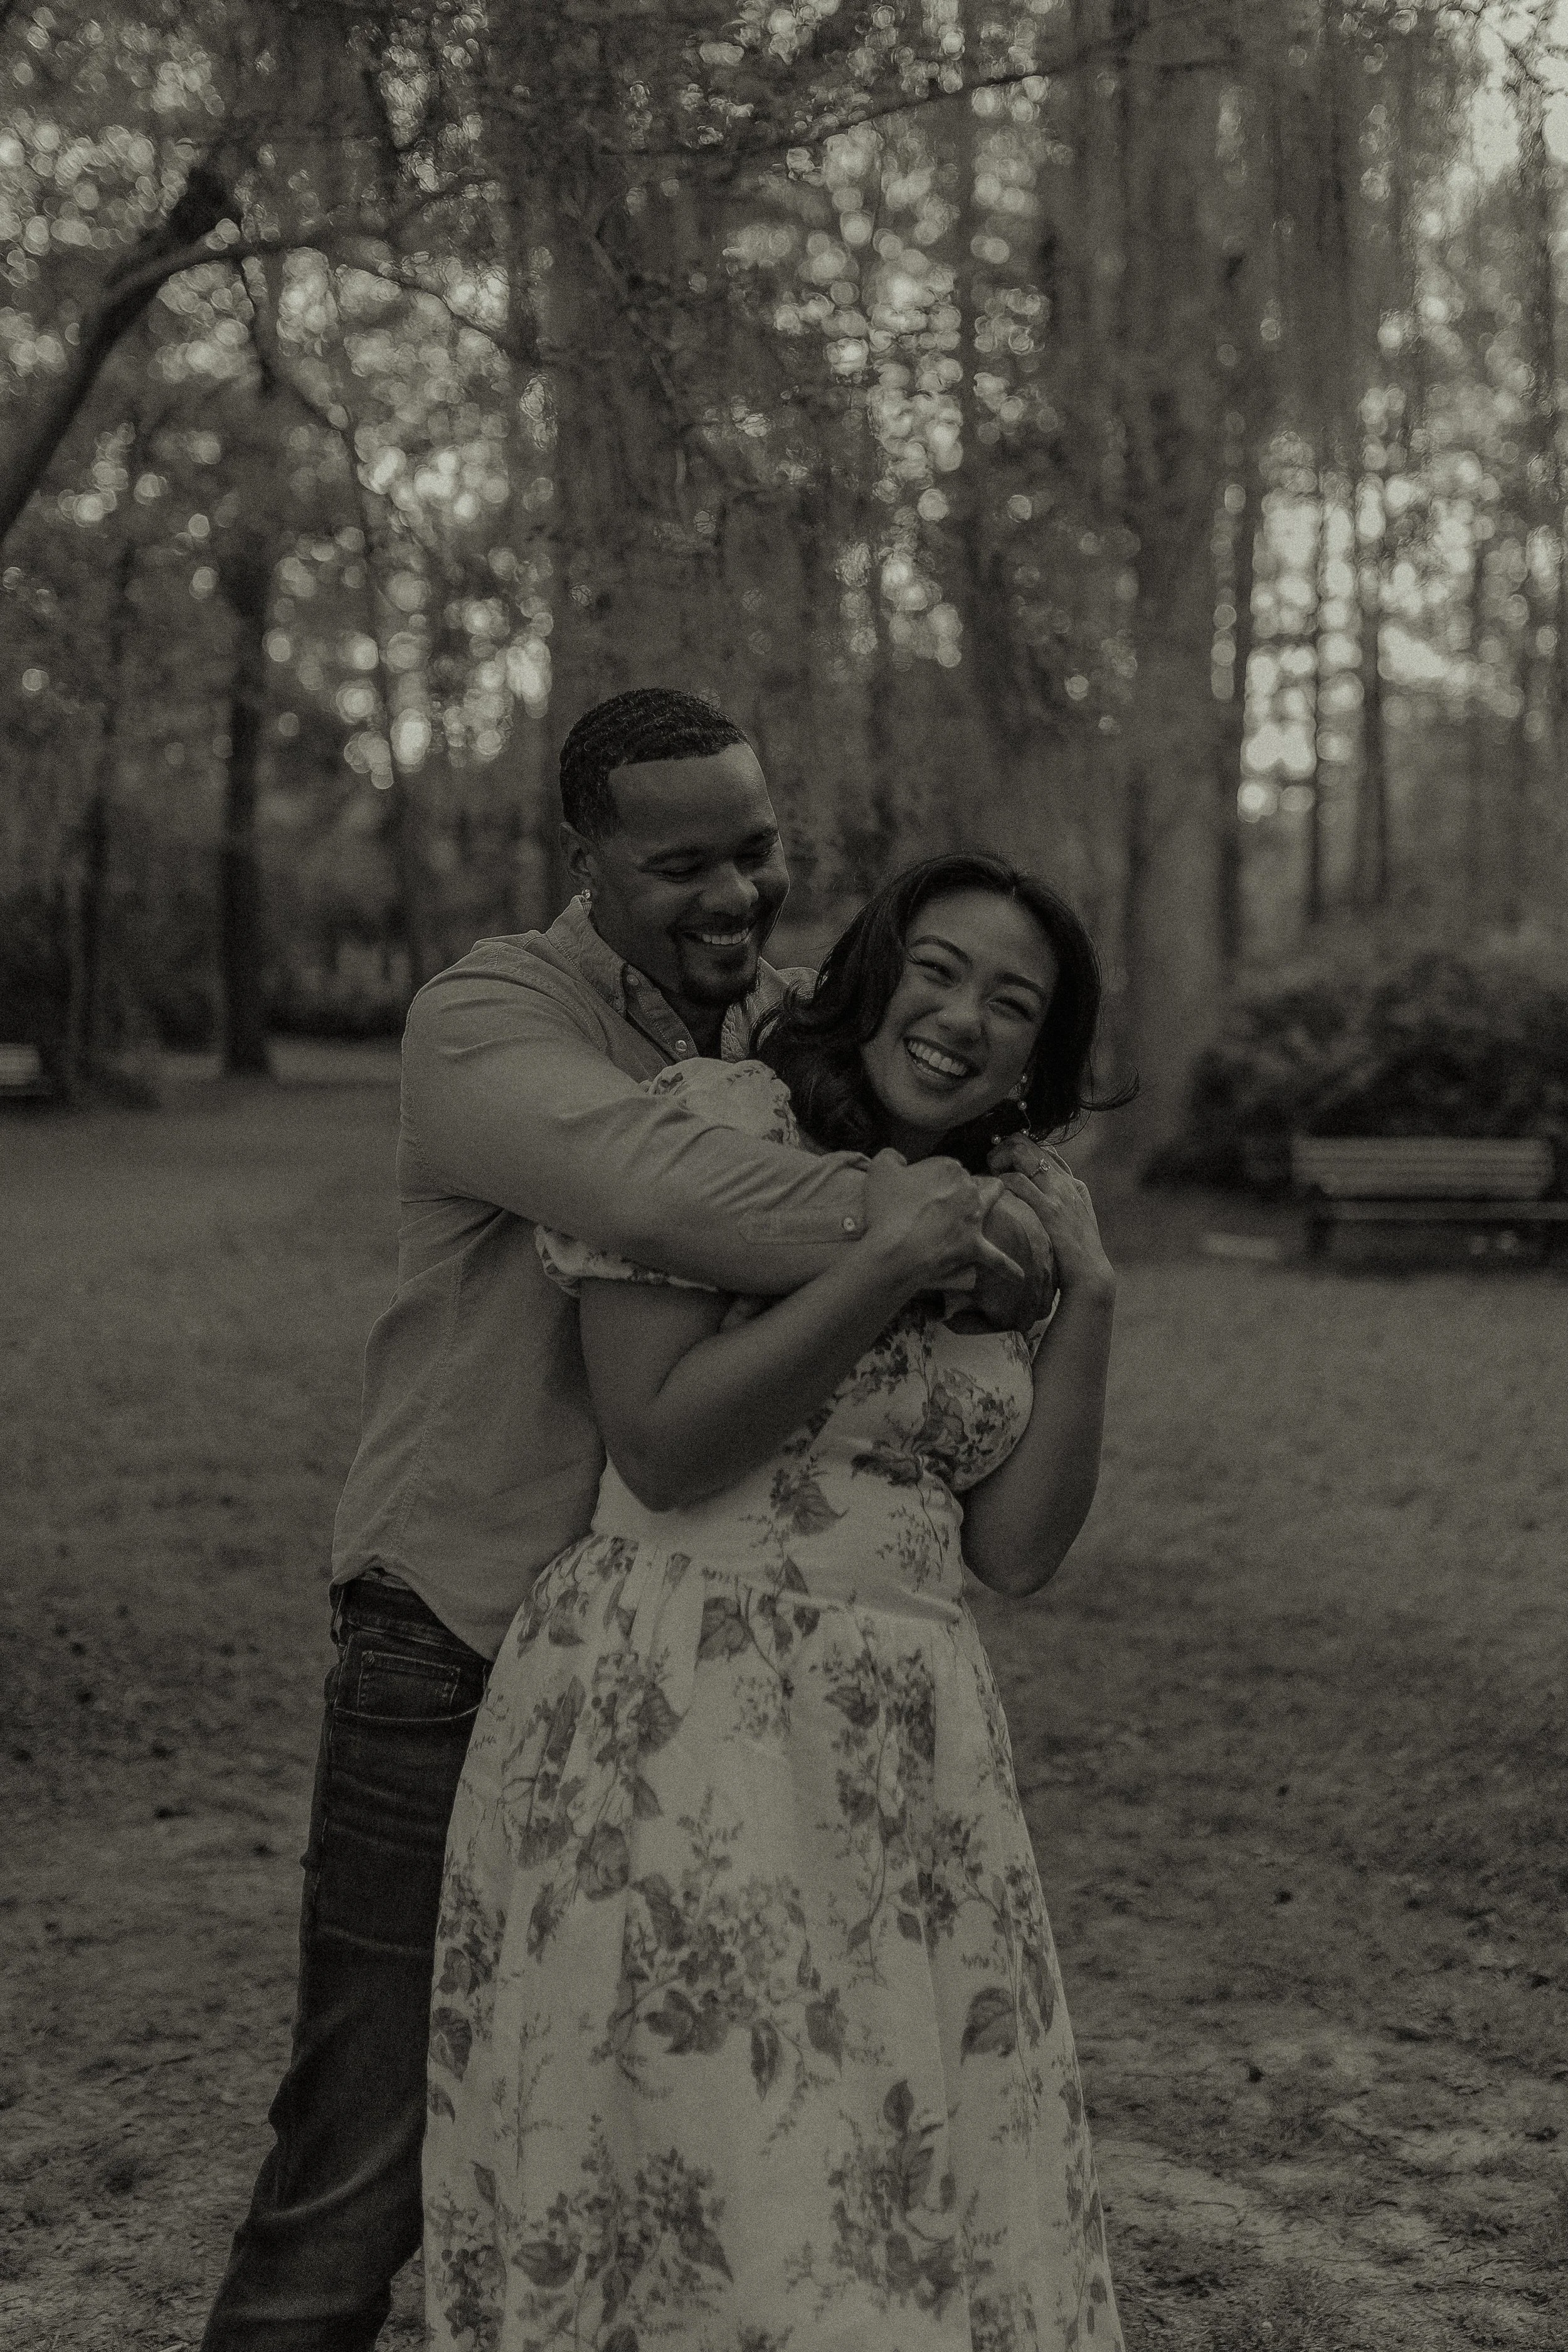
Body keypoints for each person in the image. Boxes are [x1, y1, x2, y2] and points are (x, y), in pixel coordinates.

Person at [201, 694, 1048, 2350]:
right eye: (680, 864)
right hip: (452, 1629)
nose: (733, 894)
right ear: (579, 853)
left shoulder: (794, 1027)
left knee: (660, 2141)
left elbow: (973, 1148)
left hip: (676, 1691)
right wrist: (935, 1223)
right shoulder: (488, 1017)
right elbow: (659, 1196)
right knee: (364, 2155)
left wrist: (988, 1218)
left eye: (755, 847)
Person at [423, 853, 1125, 2351]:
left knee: (893, 2167)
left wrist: (1092, 1306)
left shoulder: (1020, 1217)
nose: (960, 1019)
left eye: (1012, 1002)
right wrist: (881, 1266)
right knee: (721, 2163)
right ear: (873, 971)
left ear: (1038, 1049)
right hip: (685, 1699)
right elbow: (665, 1447)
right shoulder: (722, 1127)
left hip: (910, 1747)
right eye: (935, 970)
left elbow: (1013, 1552)